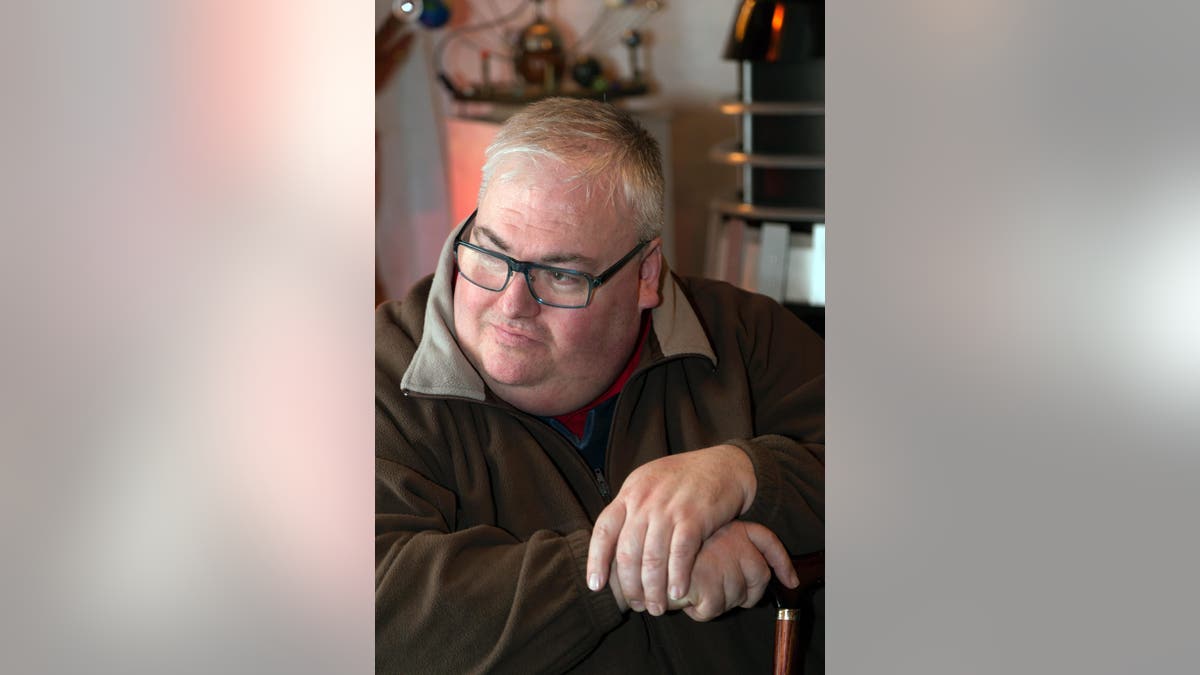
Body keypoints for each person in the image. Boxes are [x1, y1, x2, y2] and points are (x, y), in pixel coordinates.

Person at [376, 97, 824, 673]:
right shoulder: (376, 375)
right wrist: (632, 564)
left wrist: (743, 476)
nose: (511, 305)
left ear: (645, 274)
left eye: (561, 274)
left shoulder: (742, 335)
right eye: (491, 252)